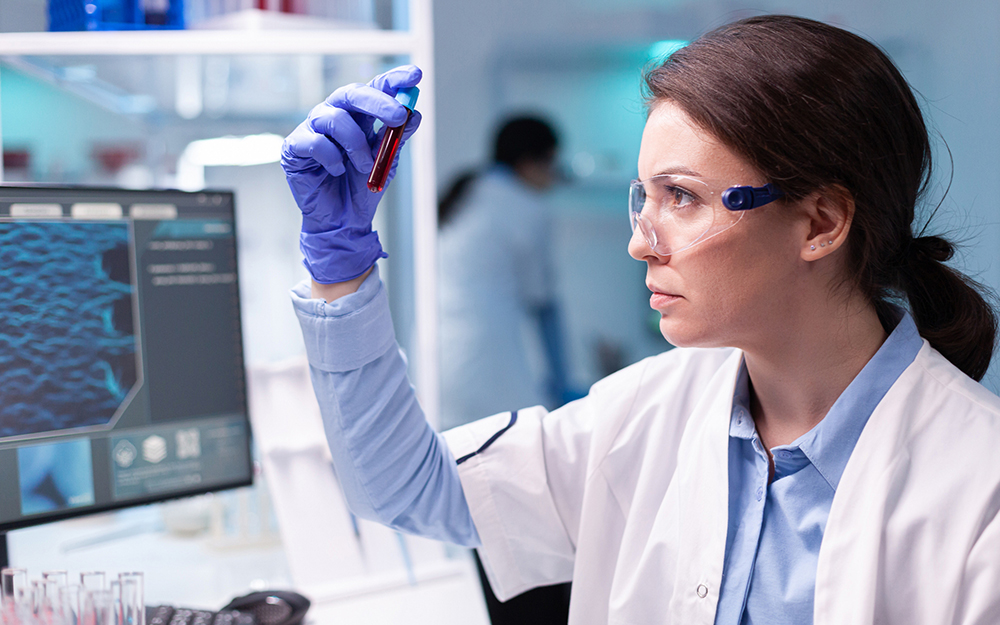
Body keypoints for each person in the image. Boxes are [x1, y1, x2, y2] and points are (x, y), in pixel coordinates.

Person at [280, 15, 1000, 625]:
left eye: (682, 197)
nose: (640, 242)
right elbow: (406, 487)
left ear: (820, 222)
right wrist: (341, 272)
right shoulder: (644, 414)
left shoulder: (979, 493)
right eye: (645, 197)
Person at [436, 117, 572, 622]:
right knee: (521, 516)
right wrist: (562, 381)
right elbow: (544, 303)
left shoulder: (465, 195)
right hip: (492, 375)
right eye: (552, 163)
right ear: (532, 161)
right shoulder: (524, 207)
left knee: (479, 512)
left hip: (445, 373)